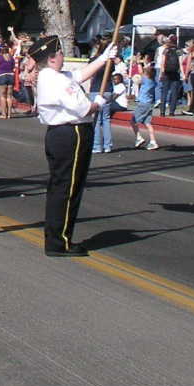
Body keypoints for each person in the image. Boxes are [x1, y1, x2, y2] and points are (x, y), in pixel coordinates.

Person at [24, 33, 119, 257]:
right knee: (67, 189)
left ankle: (58, 238)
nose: (62, 55)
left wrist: (103, 58)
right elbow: (83, 109)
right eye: (59, 53)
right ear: (51, 58)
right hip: (71, 134)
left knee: (62, 187)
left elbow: (79, 75)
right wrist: (98, 103)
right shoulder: (54, 80)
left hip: (63, 134)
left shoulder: (54, 76)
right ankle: (59, 242)